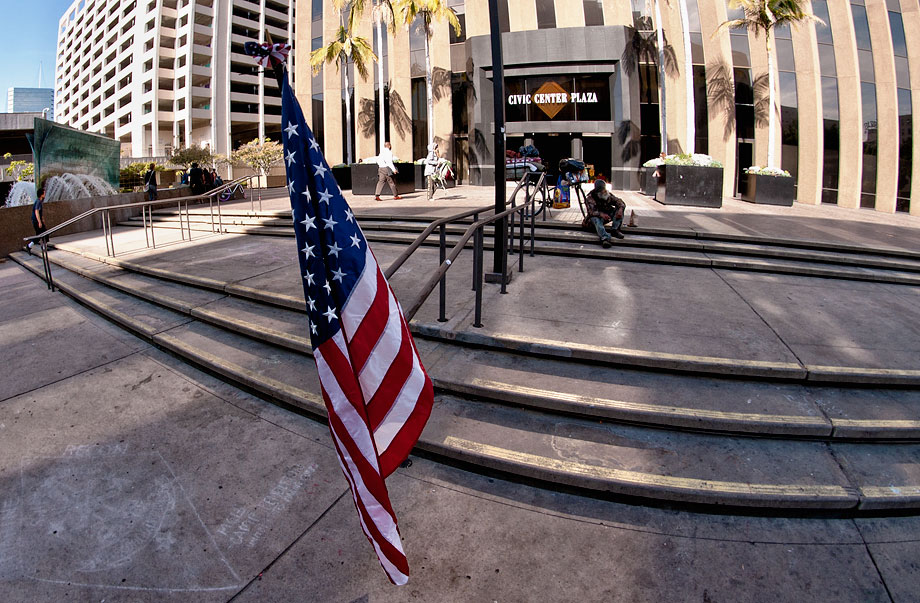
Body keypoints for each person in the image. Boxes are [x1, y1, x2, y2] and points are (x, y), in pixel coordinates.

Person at [582, 179, 627, 248]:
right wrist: (601, 214)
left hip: (606, 215)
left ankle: (615, 229)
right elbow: (591, 212)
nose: (604, 192)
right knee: (595, 219)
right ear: (598, 192)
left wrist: (620, 209)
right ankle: (604, 238)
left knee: (618, 210)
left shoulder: (607, 195)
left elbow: (619, 202)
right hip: (595, 219)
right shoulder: (590, 198)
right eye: (602, 191)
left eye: (604, 190)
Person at [27, 186, 47, 254]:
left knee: (42, 234)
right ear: (41, 194)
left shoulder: (39, 201)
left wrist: (42, 219)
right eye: (44, 193)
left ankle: (31, 246)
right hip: (36, 221)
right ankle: (30, 246)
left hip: (36, 220)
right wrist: (39, 222)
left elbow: (40, 212)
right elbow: (36, 211)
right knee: (43, 234)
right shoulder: (38, 201)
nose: (45, 194)